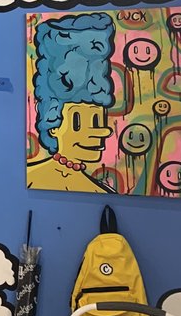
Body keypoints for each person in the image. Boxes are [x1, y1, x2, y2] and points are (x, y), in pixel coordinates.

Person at [27, 12, 115, 193]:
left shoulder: (99, 191)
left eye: (98, 120)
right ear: (53, 125)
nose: (102, 132)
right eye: (77, 122)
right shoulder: (30, 179)